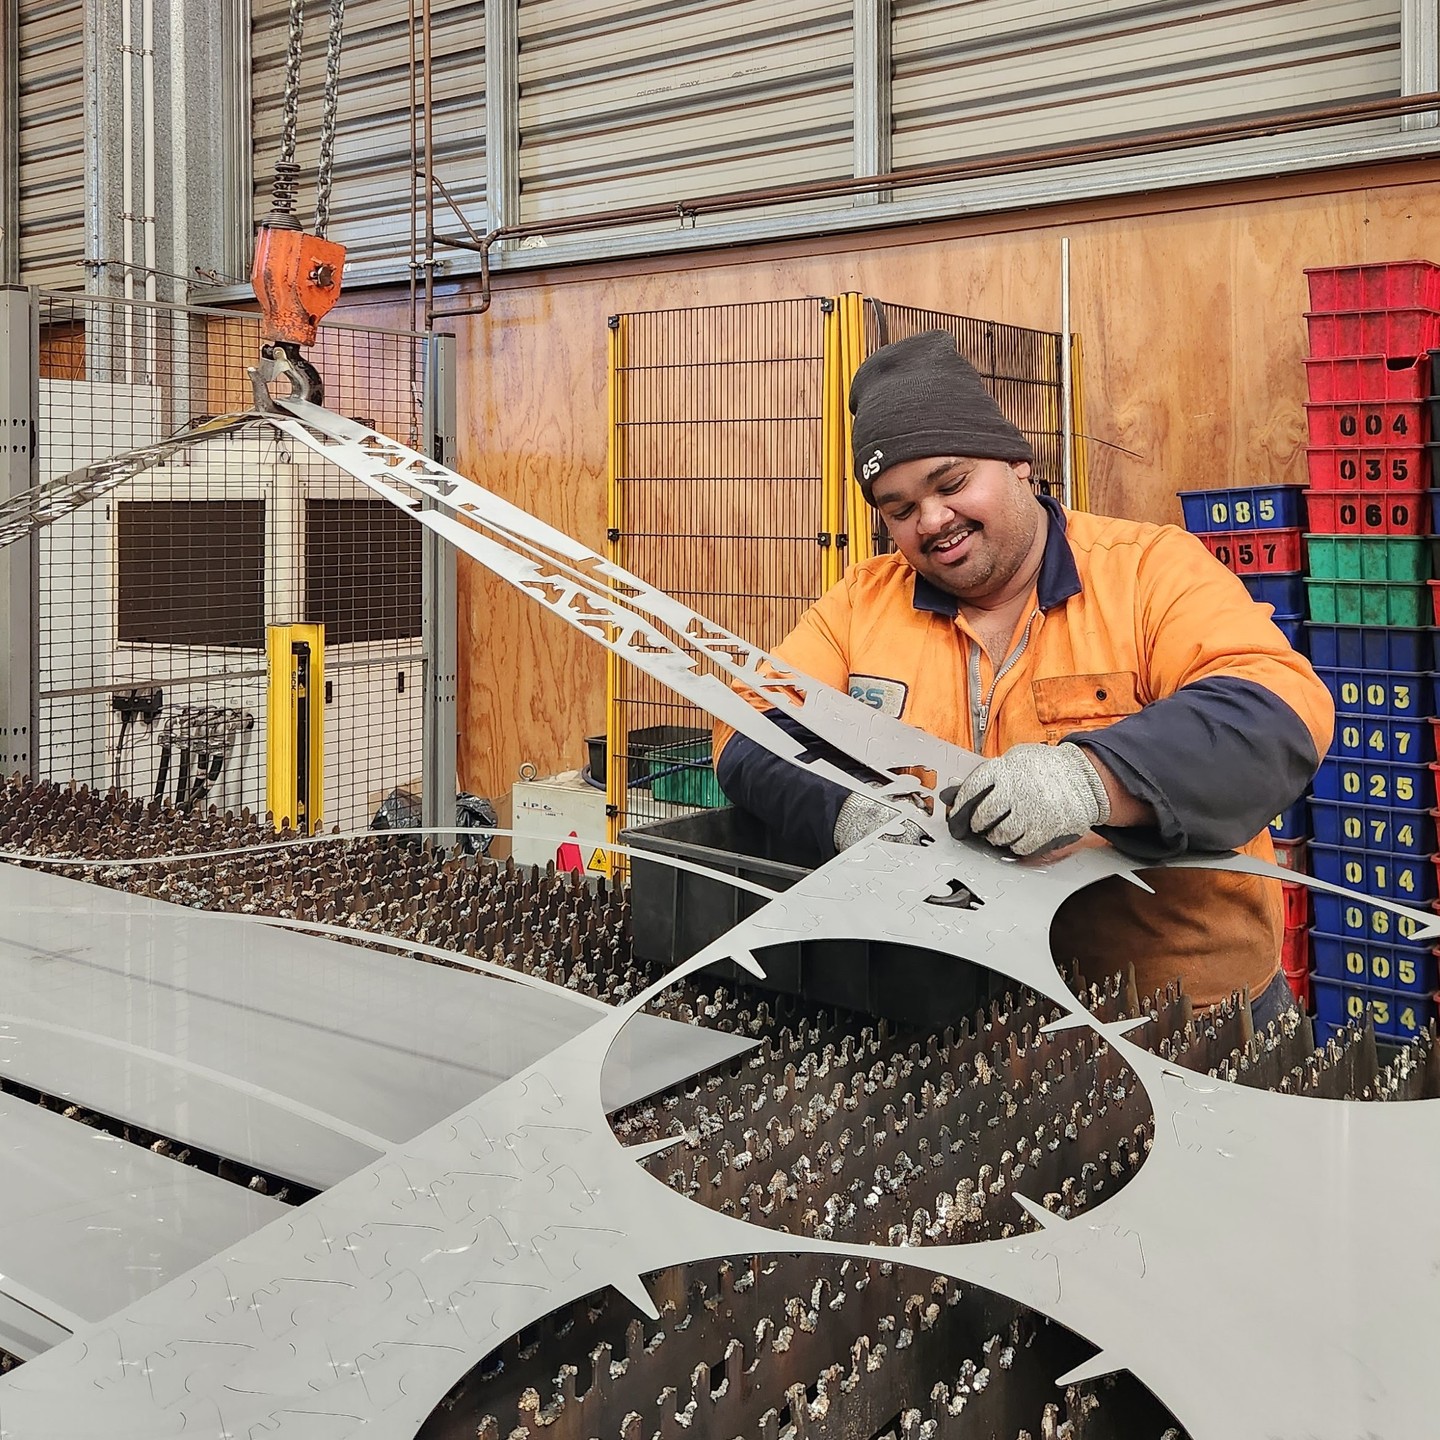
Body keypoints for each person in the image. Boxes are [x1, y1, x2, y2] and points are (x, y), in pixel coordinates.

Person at [712, 330, 1333, 1026]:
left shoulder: (1148, 571)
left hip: (1187, 1019)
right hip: (977, 1024)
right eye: (900, 508)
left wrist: (1093, 780)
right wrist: (847, 810)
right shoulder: (862, 604)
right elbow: (748, 731)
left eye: (951, 483)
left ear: (1019, 464)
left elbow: (1276, 707)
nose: (934, 520)